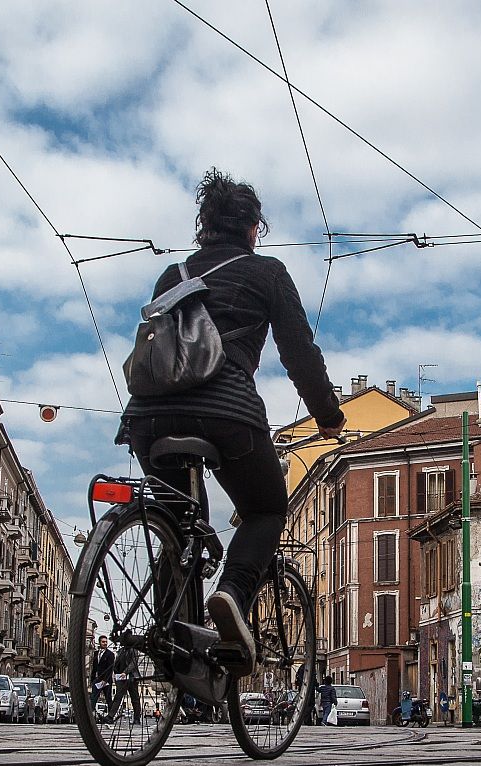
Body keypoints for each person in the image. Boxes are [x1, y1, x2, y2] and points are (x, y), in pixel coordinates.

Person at [118, 169, 345, 675]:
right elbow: (299, 355)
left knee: (177, 527)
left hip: (147, 420)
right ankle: (232, 596)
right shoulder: (266, 272)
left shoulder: (172, 277)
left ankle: (171, 643)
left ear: (204, 226)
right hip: (227, 413)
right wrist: (328, 416)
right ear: (252, 228)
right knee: (266, 509)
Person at [108, 644, 142, 724]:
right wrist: (116, 673)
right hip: (121, 677)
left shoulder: (133, 650)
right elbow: (116, 663)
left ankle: (137, 718)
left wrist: (125, 672)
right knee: (118, 696)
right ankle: (110, 716)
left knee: (135, 698)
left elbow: (133, 663)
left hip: (131, 676)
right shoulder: (120, 651)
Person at [90, 636, 115, 717]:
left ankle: (111, 716)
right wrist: (92, 679)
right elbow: (94, 667)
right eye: (103, 642)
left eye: (106, 642)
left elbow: (110, 668)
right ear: (99, 642)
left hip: (106, 681)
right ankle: (90, 714)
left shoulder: (110, 654)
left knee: (108, 699)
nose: (105, 643)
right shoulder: (96, 653)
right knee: (93, 697)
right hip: (97, 679)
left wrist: (105, 680)